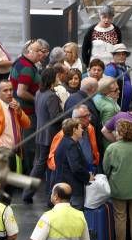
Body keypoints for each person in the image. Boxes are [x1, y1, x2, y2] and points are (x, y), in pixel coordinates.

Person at [22, 68, 62, 204]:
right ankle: (28, 192)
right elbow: (55, 117)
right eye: (57, 76)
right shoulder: (52, 96)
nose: (59, 78)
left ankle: (28, 191)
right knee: (42, 165)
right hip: (49, 135)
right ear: (51, 79)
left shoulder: (39, 92)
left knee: (38, 163)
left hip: (41, 132)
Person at [10, 40, 46, 173]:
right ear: (28, 52)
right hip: (27, 112)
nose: (40, 54)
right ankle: (29, 172)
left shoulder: (20, 62)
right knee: (29, 144)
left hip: (20, 110)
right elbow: (21, 91)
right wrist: (38, 100)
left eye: (41, 51)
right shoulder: (27, 68)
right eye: (37, 51)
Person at [51, 118, 92, 210]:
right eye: (80, 128)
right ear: (74, 129)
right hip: (72, 189)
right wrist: (88, 177)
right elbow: (76, 167)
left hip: (65, 186)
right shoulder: (71, 145)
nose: (82, 130)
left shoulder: (66, 142)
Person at [48, 106, 100, 176]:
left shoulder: (90, 128)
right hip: (74, 173)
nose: (89, 119)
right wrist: (66, 172)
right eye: (85, 117)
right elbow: (52, 158)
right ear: (75, 119)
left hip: (90, 167)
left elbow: (94, 148)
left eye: (89, 115)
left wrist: (95, 162)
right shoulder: (62, 135)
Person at [104, 44, 132, 111]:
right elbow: (107, 90)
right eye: (118, 54)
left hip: (126, 107)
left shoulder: (125, 68)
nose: (121, 56)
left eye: (123, 54)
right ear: (113, 56)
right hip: (118, 108)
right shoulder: (111, 69)